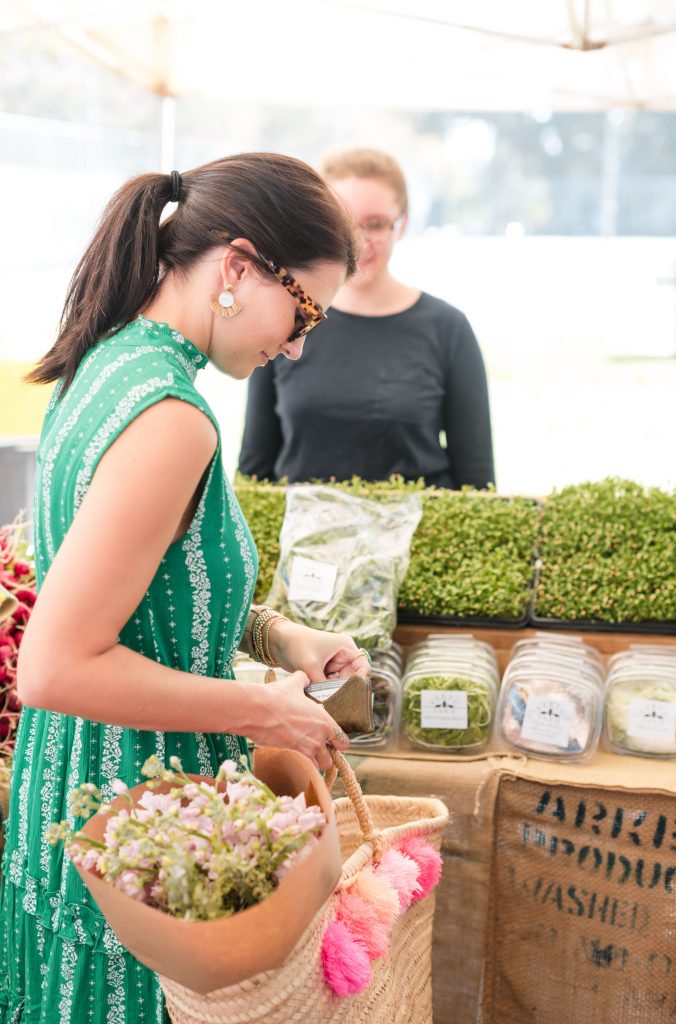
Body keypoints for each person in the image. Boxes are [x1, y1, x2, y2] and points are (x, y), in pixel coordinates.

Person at [0, 153, 370, 1024]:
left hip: (82, 797)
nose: (300, 342)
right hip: (134, 817)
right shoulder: (171, 419)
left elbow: (144, 592)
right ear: (238, 266)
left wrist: (278, 640)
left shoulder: (108, 361)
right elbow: (53, 668)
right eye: (305, 307)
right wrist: (263, 712)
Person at [238, 147, 495, 489]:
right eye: (344, 224)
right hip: (304, 539)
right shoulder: (286, 320)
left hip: (417, 537)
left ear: (401, 225)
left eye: (375, 225)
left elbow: (477, 483)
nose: (359, 243)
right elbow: (254, 473)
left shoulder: (448, 328)